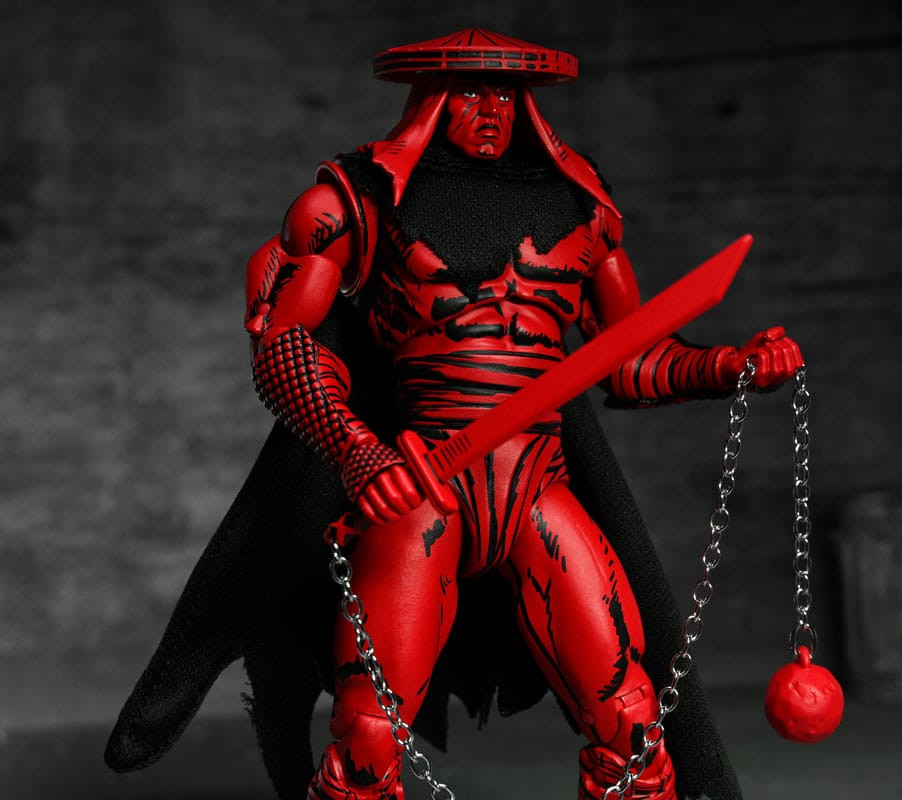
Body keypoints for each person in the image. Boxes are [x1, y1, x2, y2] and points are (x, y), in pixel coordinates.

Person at [107, 28, 801, 800]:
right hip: (423, 489)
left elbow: (629, 360)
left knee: (632, 726)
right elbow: (284, 345)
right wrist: (357, 450)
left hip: (538, 487)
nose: (490, 109)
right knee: (368, 741)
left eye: (504, 93)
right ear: (429, 99)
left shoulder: (581, 204)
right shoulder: (356, 199)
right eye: (470, 91)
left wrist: (731, 367)